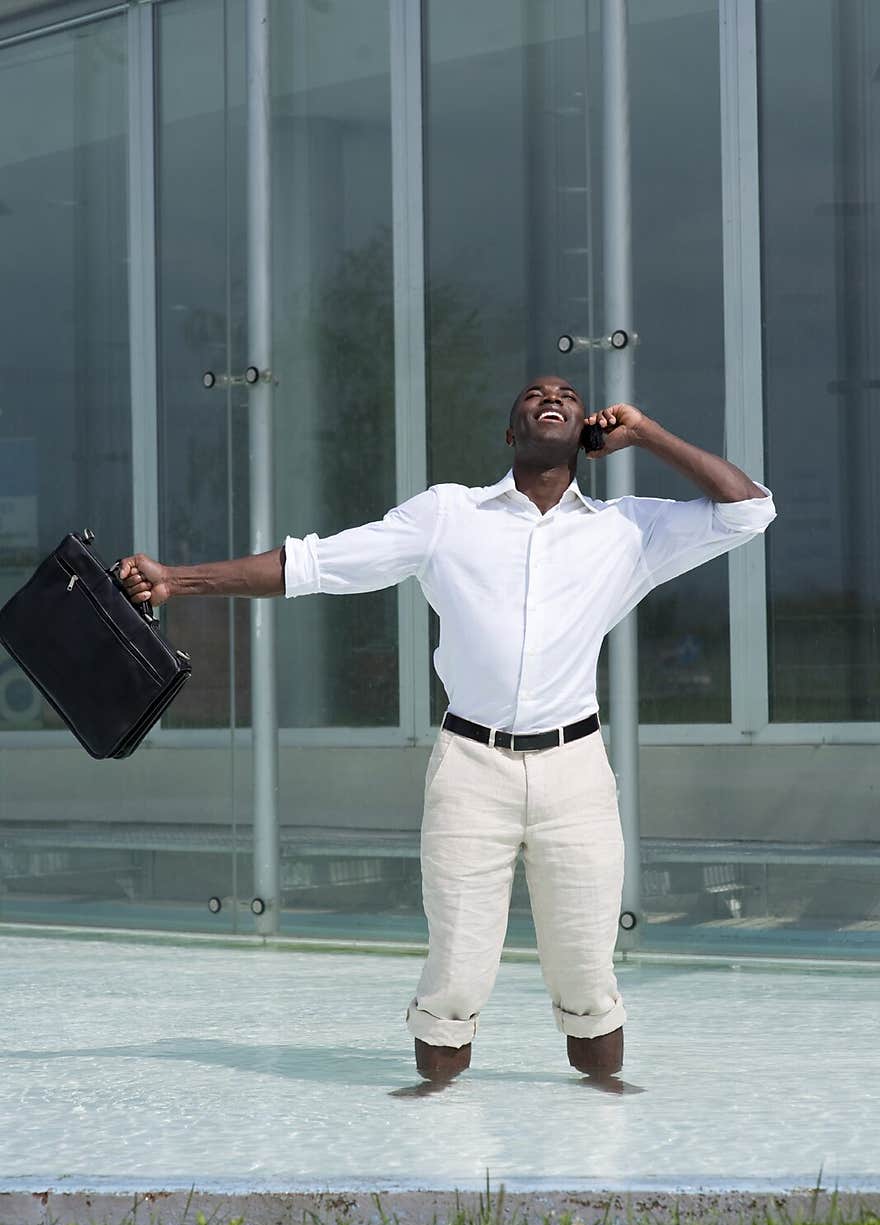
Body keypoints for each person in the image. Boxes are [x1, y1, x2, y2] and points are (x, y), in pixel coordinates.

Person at [118, 379, 776, 1083]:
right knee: (452, 990)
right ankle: (439, 1154)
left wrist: (646, 433)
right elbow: (316, 564)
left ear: (589, 430)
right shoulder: (447, 516)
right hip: (471, 769)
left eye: (567, 394)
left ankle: (601, 1158)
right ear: (509, 433)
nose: (550, 396)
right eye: (532, 394)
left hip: (576, 775)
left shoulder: (627, 530)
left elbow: (750, 512)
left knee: (590, 995)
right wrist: (176, 582)